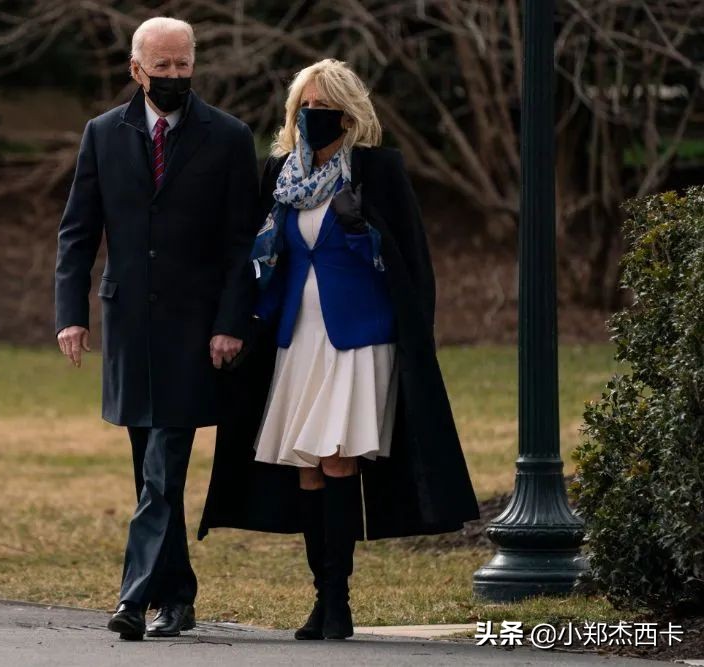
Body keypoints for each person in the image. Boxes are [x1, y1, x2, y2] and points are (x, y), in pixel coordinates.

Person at [198, 59, 479, 640]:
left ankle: (341, 601)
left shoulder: (376, 171)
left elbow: (409, 260)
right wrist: (242, 321)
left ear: (349, 115)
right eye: (305, 106)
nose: (313, 116)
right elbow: (261, 258)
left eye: (325, 107)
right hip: (298, 338)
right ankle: (322, 598)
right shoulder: (280, 175)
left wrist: (362, 234)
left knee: (336, 459)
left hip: (359, 339)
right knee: (307, 466)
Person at [54, 17, 259, 641]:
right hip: (128, 327)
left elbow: (242, 243)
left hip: (195, 332)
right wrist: (71, 314)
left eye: (182, 64)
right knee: (150, 468)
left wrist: (231, 323)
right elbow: (78, 232)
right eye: (162, 66)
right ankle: (179, 597)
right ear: (136, 69)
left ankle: (133, 598)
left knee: (164, 464)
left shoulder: (228, 137)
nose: (174, 76)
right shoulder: (101, 134)